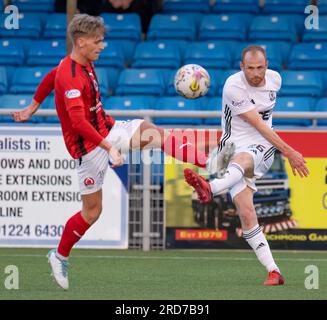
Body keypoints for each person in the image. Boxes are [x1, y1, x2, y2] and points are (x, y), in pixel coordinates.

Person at [12, 13, 220, 290]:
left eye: (102, 41)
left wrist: (33, 106)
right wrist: (109, 148)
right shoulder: (72, 77)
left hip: (108, 129)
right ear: (81, 41)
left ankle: (211, 163)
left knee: (155, 134)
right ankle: (59, 255)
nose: (102, 46)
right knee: (92, 212)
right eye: (97, 42)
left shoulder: (75, 63)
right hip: (89, 148)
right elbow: (77, 122)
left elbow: (51, 76)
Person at [184, 45, 309, 286]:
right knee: (247, 213)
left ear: (267, 65)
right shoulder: (233, 86)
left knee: (244, 160)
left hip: (262, 146)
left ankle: (211, 188)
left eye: (260, 67)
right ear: (242, 67)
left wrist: (286, 151)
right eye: (250, 68)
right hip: (232, 147)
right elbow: (256, 122)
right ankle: (274, 271)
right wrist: (290, 151)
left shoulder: (275, 80)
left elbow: (264, 129)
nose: (255, 73)